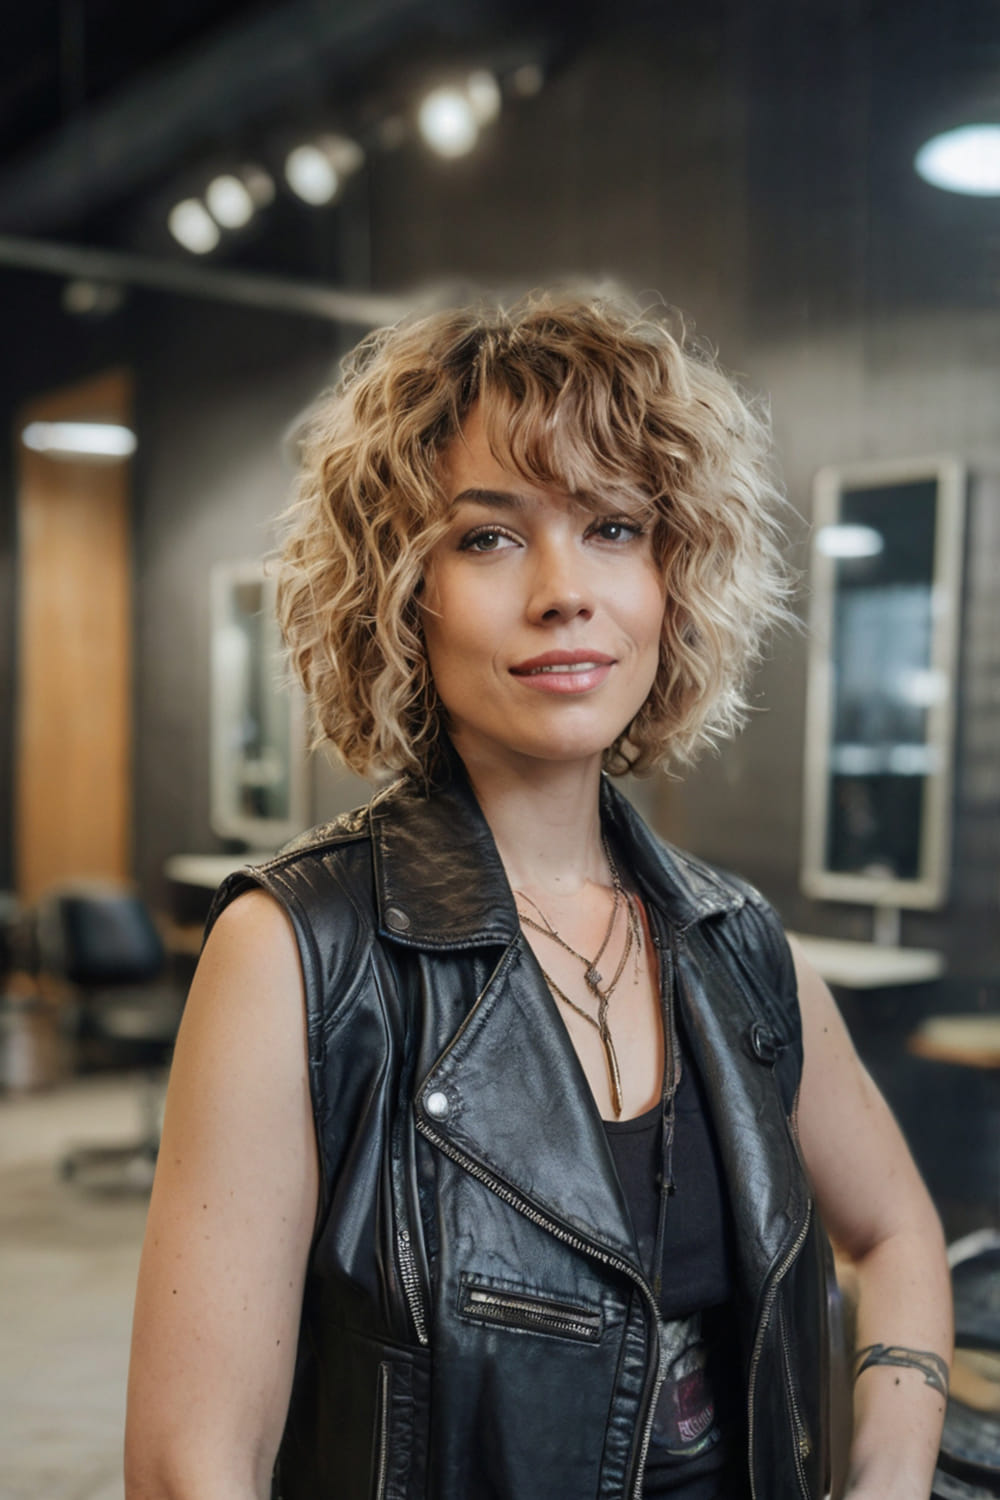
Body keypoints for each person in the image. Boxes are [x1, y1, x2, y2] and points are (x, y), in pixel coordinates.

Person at [125, 292, 952, 1500]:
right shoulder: (300, 954)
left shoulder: (735, 943)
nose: (565, 589)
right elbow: (189, 1463)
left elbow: (894, 1234)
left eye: (614, 528)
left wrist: (885, 1476)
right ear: (401, 591)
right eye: (489, 537)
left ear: (674, 578)